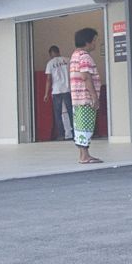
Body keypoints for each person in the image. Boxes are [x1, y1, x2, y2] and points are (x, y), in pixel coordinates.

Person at [69, 28, 104, 164]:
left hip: (77, 98)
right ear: (87, 41)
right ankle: (85, 156)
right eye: (94, 40)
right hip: (85, 97)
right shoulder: (84, 56)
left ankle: (83, 154)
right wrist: (94, 97)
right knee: (86, 125)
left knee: (80, 126)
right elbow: (86, 77)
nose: (95, 43)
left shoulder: (75, 55)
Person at [43, 44, 73, 142]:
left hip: (56, 91)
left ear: (51, 54)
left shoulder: (50, 63)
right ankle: (75, 133)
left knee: (58, 113)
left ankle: (61, 135)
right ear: (58, 52)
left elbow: (48, 79)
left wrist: (46, 94)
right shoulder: (68, 60)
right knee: (71, 112)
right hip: (68, 89)